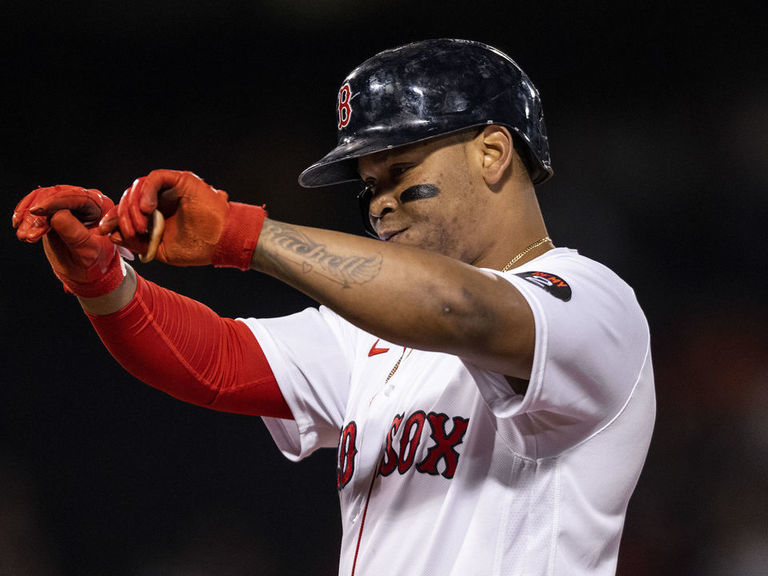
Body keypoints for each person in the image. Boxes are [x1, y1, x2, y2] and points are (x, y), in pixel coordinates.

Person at [13, 39, 655, 576]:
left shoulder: (592, 303)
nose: (377, 203)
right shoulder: (372, 332)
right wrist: (104, 283)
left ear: (492, 152)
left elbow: (458, 308)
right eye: (369, 186)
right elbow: (218, 361)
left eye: (401, 170)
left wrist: (242, 235)